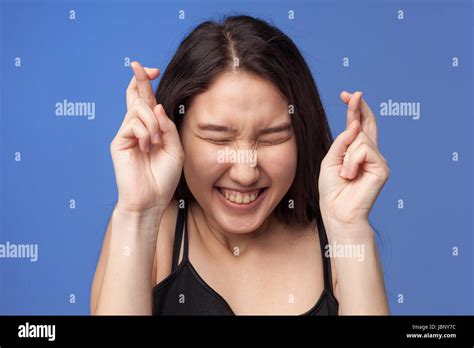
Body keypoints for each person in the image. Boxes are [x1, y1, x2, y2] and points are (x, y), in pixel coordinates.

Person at [91, 15, 390, 315]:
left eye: (272, 138)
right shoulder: (150, 231)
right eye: (218, 139)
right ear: (174, 132)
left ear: (301, 137)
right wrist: (138, 212)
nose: (246, 173)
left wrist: (350, 228)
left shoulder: (337, 244)